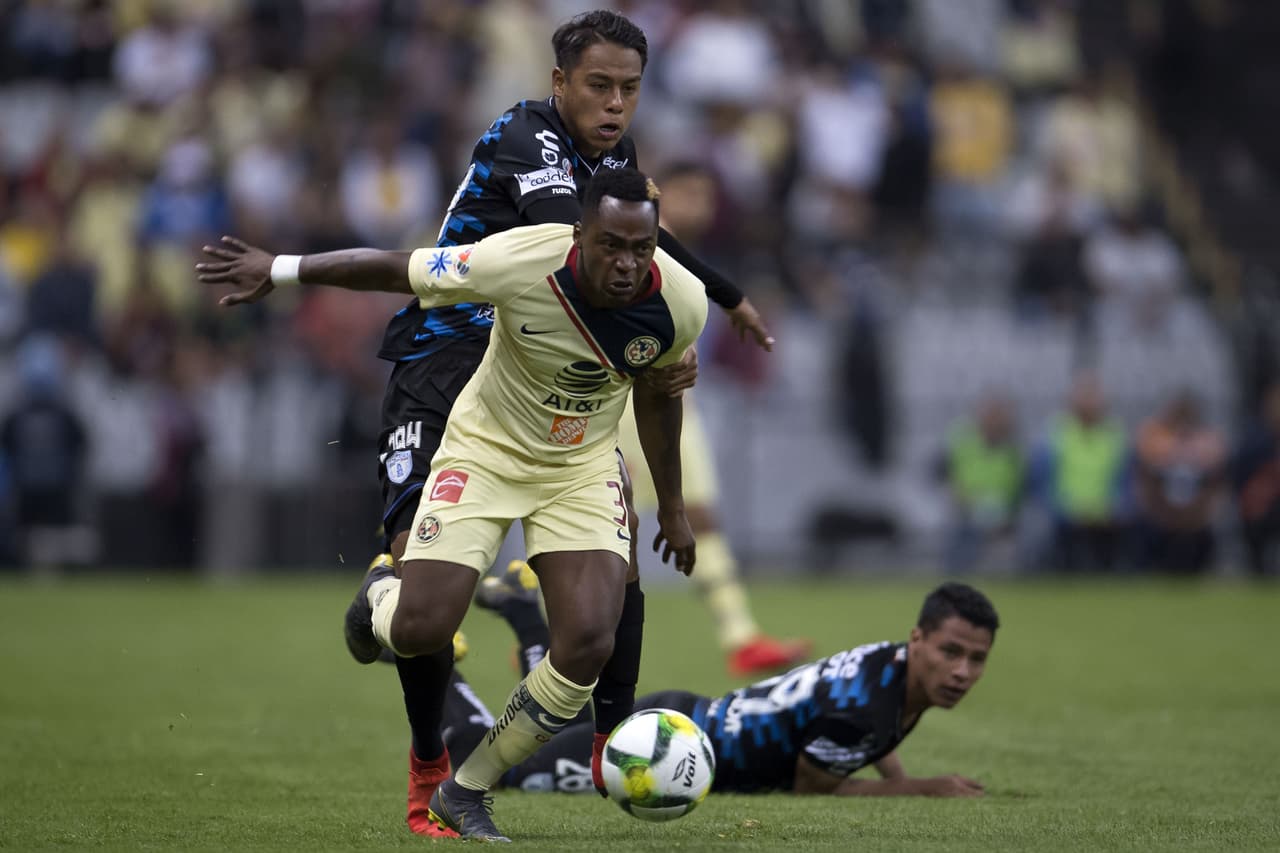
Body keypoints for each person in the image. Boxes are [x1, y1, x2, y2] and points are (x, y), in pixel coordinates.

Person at [326, 10, 771, 839]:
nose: (614, 105)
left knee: (615, 552)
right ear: (558, 82)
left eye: (629, 90)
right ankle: (429, 753)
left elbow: (636, 239)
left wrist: (705, 306)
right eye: (598, 86)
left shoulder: (613, 158)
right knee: (427, 611)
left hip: (546, 359)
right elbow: (599, 239)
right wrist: (694, 314)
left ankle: (605, 729)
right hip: (450, 354)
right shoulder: (529, 139)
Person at [198, 168, 707, 840]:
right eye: (611, 245)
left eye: (641, 248)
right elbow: (393, 268)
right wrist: (283, 269)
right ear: (579, 234)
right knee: (422, 628)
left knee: (586, 639)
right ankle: (379, 595)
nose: (627, 263)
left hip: (579, 466)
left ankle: (466, 789)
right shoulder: (518, 260)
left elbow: (656, 395)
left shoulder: (681, 301)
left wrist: (671, 506)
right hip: (485, 451)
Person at [449, 575, 997, 797]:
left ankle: (523, 608)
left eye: (976, 659)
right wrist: (922, 787)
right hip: (669, 749)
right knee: (496, 768)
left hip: (688, 717)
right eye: (951, 652)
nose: (961, 673)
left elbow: (878, 733)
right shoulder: (867, 706)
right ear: (919, 639)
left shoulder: (893, 664)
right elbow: (816, 786)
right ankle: (435, 664)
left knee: (561, 720)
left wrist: (908, 774)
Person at [616, 162, 809, 674]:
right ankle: (542, 626)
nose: (703, 205)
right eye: (692, 193)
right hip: (632, 405)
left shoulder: (677, 251)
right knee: (611, 522)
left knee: (691, 515)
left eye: (708, 194)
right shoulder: (645, 241)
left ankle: (739, 634)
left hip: (672, 402)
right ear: (665, 195)